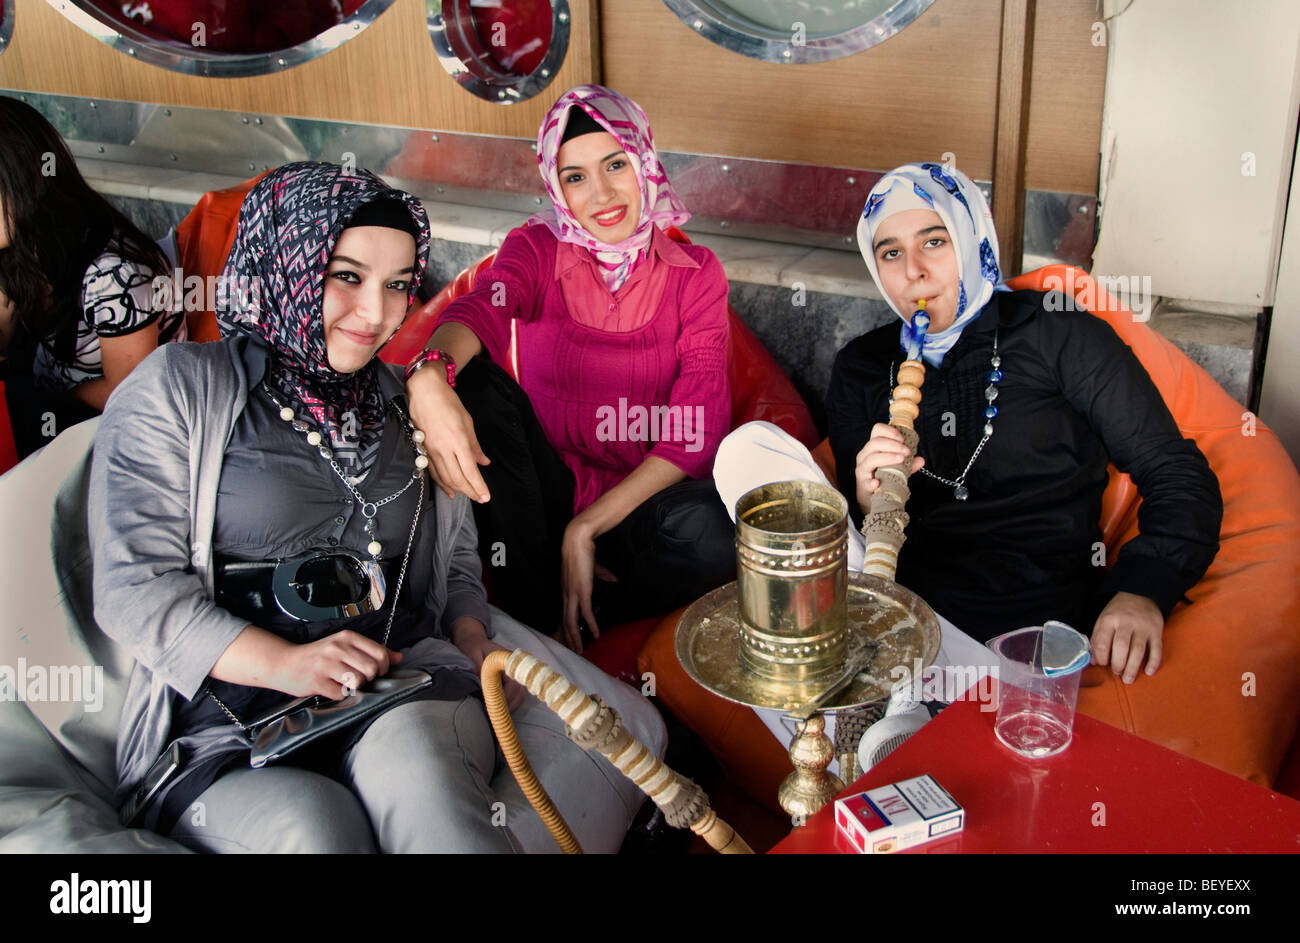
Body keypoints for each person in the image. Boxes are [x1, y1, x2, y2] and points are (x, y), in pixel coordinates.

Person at [88, 161, 664, 853]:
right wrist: (284, 665)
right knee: (315, 830)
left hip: (401, 683)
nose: (377, 314)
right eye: (347, 275)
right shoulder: (179, 390)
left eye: (398, 285)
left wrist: (473, 635)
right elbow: (132, 589)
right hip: (225, 719)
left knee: (423, 782)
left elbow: (451, 559)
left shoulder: (407, 402)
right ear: (287, 262)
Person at [716, 162, 1222, 684]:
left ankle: (891, 693)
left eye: (934, 242)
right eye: (891, 252)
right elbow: (852, 526)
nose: (913, 270)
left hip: (1029, 620)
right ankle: (885, 681)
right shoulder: (863, 366)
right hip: (896, 599)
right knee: (748, 448)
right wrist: (867, 500)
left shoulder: (1057, 333)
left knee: (883, 679)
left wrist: (1143, 588)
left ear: (972, 235)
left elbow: (1176, 473)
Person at [405, 85, 735, 651]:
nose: (601, 193)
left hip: (638, 505)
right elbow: (486, 306)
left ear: (645, 163)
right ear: (555, 186)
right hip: (537, 499)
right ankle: (541, 609)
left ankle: (578, 613)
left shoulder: (696, 273)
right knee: (477, 386)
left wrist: (585, 530)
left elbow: (696, 429)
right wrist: (430, 372)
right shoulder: (537, 249)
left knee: (715, 532)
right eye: (575, 176)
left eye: (615, 164)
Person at [0, 96, 185, 458]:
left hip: (114, 427)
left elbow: (130, 393)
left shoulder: (114, 274)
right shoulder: (18, 249)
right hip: (45, 404)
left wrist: (54, 393)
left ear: (24, 184)